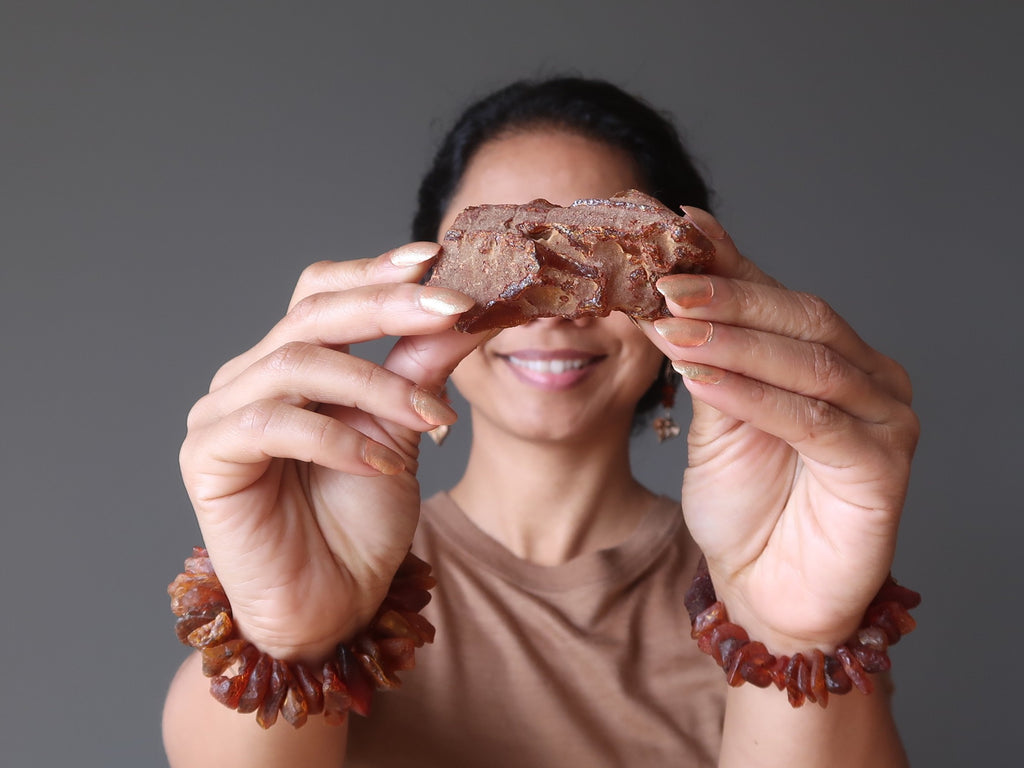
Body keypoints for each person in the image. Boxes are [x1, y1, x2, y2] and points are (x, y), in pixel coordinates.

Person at [163, 77, 918, 767]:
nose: (555, 315)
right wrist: (291, 639)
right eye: (507, 258)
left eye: (597, 259)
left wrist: (792, 639)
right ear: (428, 291)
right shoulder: (326, 571)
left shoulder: (769, 580)